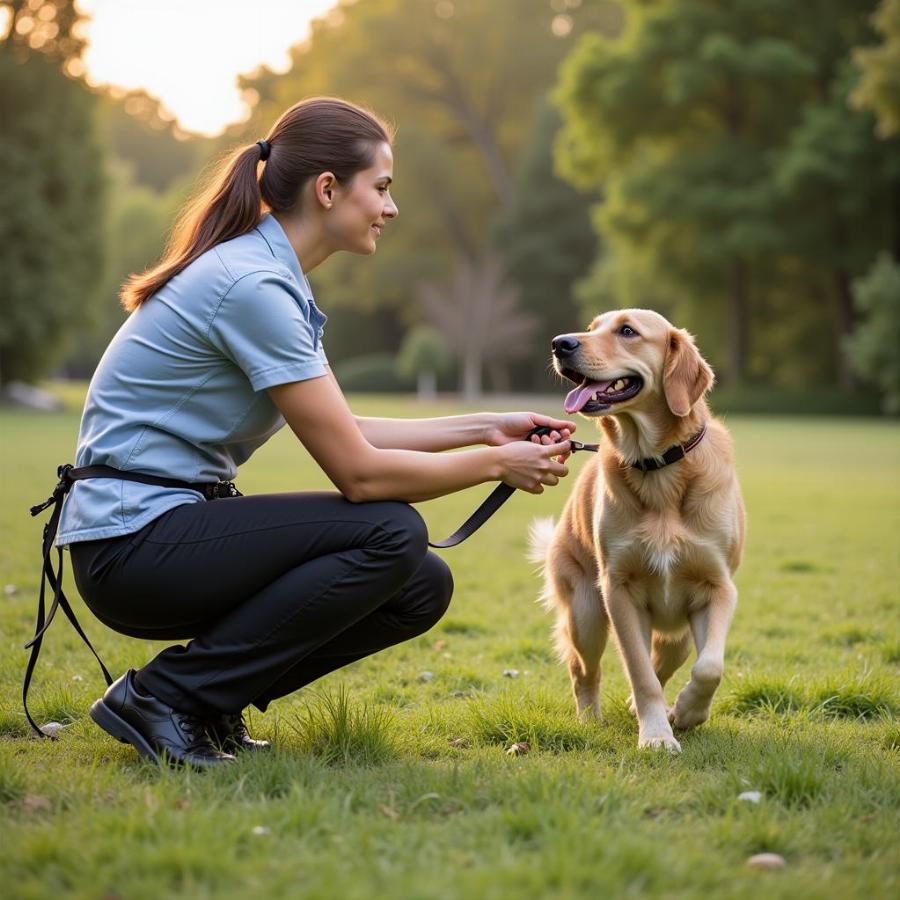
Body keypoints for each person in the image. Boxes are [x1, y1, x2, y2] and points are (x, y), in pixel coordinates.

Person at [49, 96, 574, 768]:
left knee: (420, 583)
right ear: (328, 190)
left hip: (159, 536)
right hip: (131, 547)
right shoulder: (252, 286)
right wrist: (498, 465)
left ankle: (205, 704)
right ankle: (167, 696)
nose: (391, 208)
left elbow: (346, 427)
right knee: (391, 531)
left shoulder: (271, 281)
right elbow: (359, 474)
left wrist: (490, 428)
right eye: (381, 188)